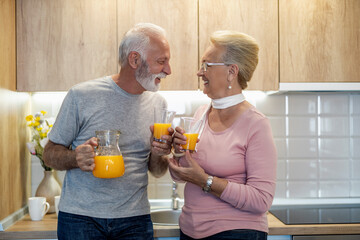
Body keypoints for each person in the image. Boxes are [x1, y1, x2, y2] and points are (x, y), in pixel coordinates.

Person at [43, 23, 173, 240]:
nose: (169, 70)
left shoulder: (158, 104)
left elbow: (157, 171)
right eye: (162, 61)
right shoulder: (81, 96)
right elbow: (49, 154)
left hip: (135, 220)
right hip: (80, 219)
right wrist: (76, 158)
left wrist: (159, 152)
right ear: (134, 60)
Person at [169, 30, 277, 240]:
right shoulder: (201, 113)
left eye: (206, 65)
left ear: (231, 72)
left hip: (236, 233)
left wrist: (205, 180)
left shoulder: (256, 124)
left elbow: (261, 200)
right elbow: (181, 175)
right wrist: (179, 154)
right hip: (190, 230)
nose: (200, 73)